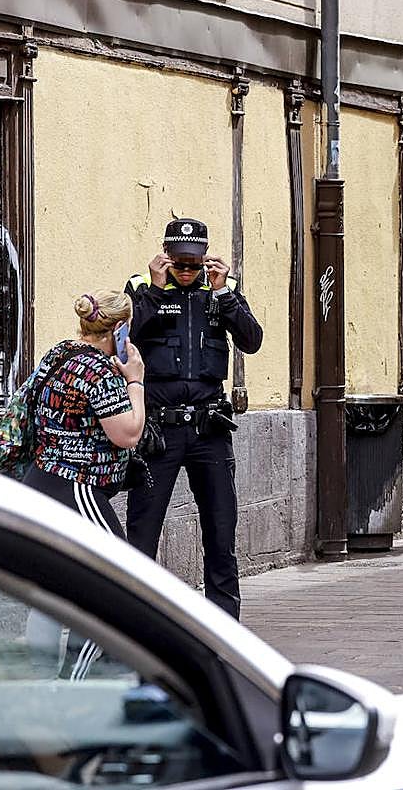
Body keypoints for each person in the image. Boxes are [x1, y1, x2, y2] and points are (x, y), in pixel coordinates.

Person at [124, 218, 264, 620]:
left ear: (205, 259)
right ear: (165, 257)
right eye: (179, 263)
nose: (186, 272)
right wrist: (153, 288)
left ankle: (224, 626)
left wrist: (224, 294)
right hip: (159, 431)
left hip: (209, 430)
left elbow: (252, 341)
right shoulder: (141, 289)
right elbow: (123, 340)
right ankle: (137, 622)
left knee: (221, 532)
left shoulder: (223, 290)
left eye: (193, 264)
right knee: (143, 531)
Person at [22, 290, 146, 536]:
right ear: (119, 328)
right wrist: (136, 380)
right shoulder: (98, 370)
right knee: (116, 566)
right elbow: (128, 434)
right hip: (75, 485)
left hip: (42, 478)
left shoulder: (62, 352)